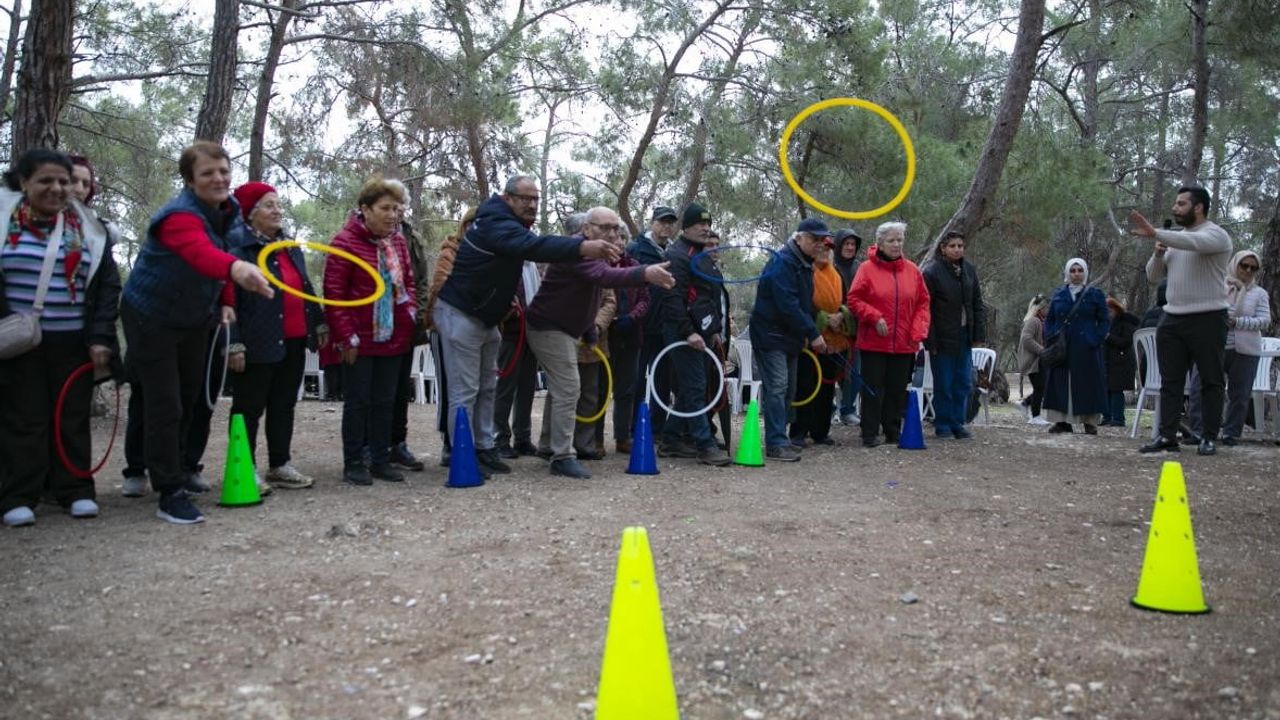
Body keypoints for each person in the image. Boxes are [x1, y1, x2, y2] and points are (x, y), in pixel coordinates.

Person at [120, 141, 274, 524]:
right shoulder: (177, 217)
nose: (218, 178)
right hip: (150, 315)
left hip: (195, 315)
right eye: (207, 173)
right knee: (164, 402)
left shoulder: (229, 210)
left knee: (192, 397)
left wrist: (225, 299)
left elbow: (225, 250)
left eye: (223, 170)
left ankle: (184, 469)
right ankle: (168, 492)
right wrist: (237, 273)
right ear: (190, 180)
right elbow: (203, 254)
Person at [434, 176, 618, 477]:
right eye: (525, 198)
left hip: (487, 317)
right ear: (507, 198)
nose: (532, 204)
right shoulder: (496, 222)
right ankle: (462, 456)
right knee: (466, 390)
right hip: (460, 312)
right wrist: (582, 247)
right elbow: (535, 247)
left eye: (536, 199)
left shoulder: (511, 225)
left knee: (487, 387)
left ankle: (484, 448)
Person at [0, 149, 120, 527]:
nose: (56, 189)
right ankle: (19, 495)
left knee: (71, 417)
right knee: (24, 417)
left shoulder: (91, 230)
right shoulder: (4, 223)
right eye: (45, 181)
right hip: (18, 342)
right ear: (24, 183)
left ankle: (76, 490)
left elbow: (106, 288)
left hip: (73, 340)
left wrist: (101, 337)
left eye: (63, 182)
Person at [524, 206, 674, 478]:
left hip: (568, 329)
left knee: (564, 388)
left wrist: (589, 331)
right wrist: (645, 273)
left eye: (615, 228)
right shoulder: (576, 250)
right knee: (570, 388)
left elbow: (590, 295)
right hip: (547, 327)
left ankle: (549, 446)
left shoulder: (599, 254)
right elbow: (605, 278)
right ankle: (562, 456)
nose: (612, 233)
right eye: (604, 228)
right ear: (586, 230)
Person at [225, 181, 328, 491]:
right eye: (269, 205)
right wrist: (233, 341)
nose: (278, 211)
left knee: (284, 404)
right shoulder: (238, 247)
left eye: (278, 205)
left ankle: (279, 464)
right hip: (257, 339)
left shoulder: (289, 246)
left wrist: (319, 322)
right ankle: (245, 467)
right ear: (250, 213)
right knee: (249, 406)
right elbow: (229, 298)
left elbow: (304, 286)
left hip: (294, 339)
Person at [323, 177, 417, 486]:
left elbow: (409, 282)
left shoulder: (398, 241)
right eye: (385, 208)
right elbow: (334, 294)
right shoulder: (344, 243)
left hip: (394, 336)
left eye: (396, 208)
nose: (392, 215)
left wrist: (411, 312)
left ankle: (380, 459)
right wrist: (346, 335)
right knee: (358, 400)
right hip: (359, 338)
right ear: (365, 209)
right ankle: (354, 462)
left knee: (385, 400)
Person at [1130, 186, 1233, 455]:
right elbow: (1152, 277)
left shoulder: (1215, 235)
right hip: (1172, 318)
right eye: (1175, 203)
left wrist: (1158, 233)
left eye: (1181, 204)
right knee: (1171, 381)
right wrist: (1158, 252)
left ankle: (1209, 436)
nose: (1175, 208)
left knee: (1211, 379)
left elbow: (1195, 244)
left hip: (1208, 317)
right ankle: (1167, 436)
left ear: (1198, 208)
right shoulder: (1176, 240)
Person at [656, 202, 731, 466]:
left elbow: (708, 299)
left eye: (708, 224)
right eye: (700, 224)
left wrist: (713, 332)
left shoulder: (702, 255)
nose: (705, 228)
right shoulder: (678, 256)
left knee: (691, 390)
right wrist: (688, 333)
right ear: (686, 226)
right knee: (695, 387)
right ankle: (704, 445)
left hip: (703, 334)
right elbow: (673, 298)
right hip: (681, 333)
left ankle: (670, 439)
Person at [747, 219, 827, 461]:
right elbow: (787, 305)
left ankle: (781, 437)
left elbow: (804, 303)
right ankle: (775, 443)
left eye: (821, 240)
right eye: (814, 239)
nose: (818, 245)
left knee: (788, 390)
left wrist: (807, 331)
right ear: (799, 238)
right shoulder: (783, 262)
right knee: (778, 387)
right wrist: (813, 333)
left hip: (790, 338)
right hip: (770, 336)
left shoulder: (804, 264)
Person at [847, 222, 930, 448]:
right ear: (880, 243)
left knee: (896, 388)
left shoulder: (913, 271)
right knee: (873, 388)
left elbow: (923, 302)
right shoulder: (866, 269)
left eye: (900, 240)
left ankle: (893, 431)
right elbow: (853, 300)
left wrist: (918, 330)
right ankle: (869, 433)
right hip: (874, 341)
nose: (896, 244)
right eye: (891, 240)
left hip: (904, 342)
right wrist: (874, 317)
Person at [789, 223, 854, 449]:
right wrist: (823, 319)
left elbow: (846, 302)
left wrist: (840, 317)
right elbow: (801, 302)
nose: (825, 251)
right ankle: (798, 432)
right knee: (805, 385)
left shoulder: (838, 275)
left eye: (829, 248)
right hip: (810, 340)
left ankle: (820, 431)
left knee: (827, 388)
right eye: (821, 247)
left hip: (834, 341)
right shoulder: (805, 271)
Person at [423, 207, 477, 466]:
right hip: (445, 328)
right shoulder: (450, 252)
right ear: (464, 226)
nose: (475, 230)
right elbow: (440, 288)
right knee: (450, 387)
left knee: (471, 388)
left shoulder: (486, 254)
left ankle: (471, 441)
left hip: (474, 331)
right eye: (471, 224)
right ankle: (449, 442)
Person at [921, 230, 986, 439]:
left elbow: (977, 303)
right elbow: (926, 309)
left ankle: (958, 422)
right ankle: (943, 424)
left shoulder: (969, 270)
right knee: (944, 383)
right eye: (952, 246)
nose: (957, 249)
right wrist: (929, 340)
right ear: (943, 248)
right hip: (942, 338)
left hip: (964, 336)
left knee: (964, 382)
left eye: (960, 246)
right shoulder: (932, 272)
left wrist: (978, 334)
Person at [386, 181, 429, 472]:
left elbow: (421, 279)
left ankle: (397, 445)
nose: (397, 210)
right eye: (390, 205)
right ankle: (368, 448)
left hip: (406, 324)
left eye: (401, 204)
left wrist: (419, 313)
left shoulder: (410, 237)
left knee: (401, 389)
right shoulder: (355, 234)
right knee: (375, 392)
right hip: (373, 328)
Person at [627, 205, 680, 439]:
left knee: (662, 380)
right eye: (662, 221)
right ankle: (631, 428)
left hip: (666, 327)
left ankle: (658, 429)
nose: (666, 226)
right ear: (652, 223)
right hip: (639, 326)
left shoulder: (674, 252)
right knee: (636, 379)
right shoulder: (635, 249)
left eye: (670, 222)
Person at [1040, 258, 1109, 434]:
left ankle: (1089, 422)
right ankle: (1062, 422)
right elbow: (1050, 319)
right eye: (1073, 270)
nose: (1076, 274)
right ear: (1068, 273)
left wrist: (1093, 339)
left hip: (1086, 349)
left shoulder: (1095, 294)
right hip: (1063, 348)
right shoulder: (1059, 295)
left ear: (1085, 272)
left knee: (1087, 384)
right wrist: (1052, 337)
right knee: (1061, 383)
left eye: (1079, 270)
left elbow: (1104, 321)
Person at [1217, 251, 1269, 444]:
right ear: (1235, 264)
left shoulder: (1259, 293)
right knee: (1210, 389)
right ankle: (1207, 430)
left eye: (1253, 268)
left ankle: (1231, 433)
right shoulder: (1219, 287)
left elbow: (1264, 321)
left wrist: (1238, 322)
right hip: (1218, 346)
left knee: (1240, 394)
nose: (1248, 270)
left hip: (1246, 350)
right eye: (1244, 265)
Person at [832, 228, 863, 425]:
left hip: (855, 328)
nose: (850, 248)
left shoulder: (861, 268)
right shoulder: (829, 266)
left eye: (853, 244)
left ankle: (848, 409)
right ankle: (829, 408)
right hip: (831, 328)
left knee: (855, 372)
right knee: (831, 371)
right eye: (846, 244)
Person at [1101, 298, 1140, 427]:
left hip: (1121, 362)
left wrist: (1108, 337)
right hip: (1108, 361)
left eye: (1110, 311)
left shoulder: (1126, 323)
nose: (1107, 313)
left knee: (1116, 390)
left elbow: (1126, 342)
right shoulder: (1106, 323)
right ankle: (1107, 417)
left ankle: (1118, 418)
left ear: (1116, 310)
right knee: (1106, 389)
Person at [1016, 294, 1051, 426]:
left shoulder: (1042, 321)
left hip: (1040, 361)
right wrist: (1042, 350)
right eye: (1046, 307)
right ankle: (1035, 416)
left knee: (1043, 386)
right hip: (1033, 362)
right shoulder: (1034, 321)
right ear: (1040, 309)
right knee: (1040, 387)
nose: (1048, 310)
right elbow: (1026, 339)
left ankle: (1025, 403)